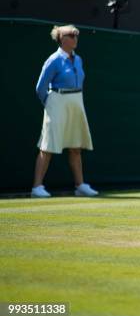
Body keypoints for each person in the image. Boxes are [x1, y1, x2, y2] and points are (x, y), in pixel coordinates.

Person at [32, 25, 97, 198]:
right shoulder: (53, 60)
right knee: (48, 146)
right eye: (71, 35)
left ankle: (80, 186)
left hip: (76, 101)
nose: (75, 38)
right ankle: (37, 187)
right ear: (62, 39)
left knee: (76, 147)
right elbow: (40, 87)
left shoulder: (78, 59)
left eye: (76, 35)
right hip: (57, 101)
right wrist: (51, 104)